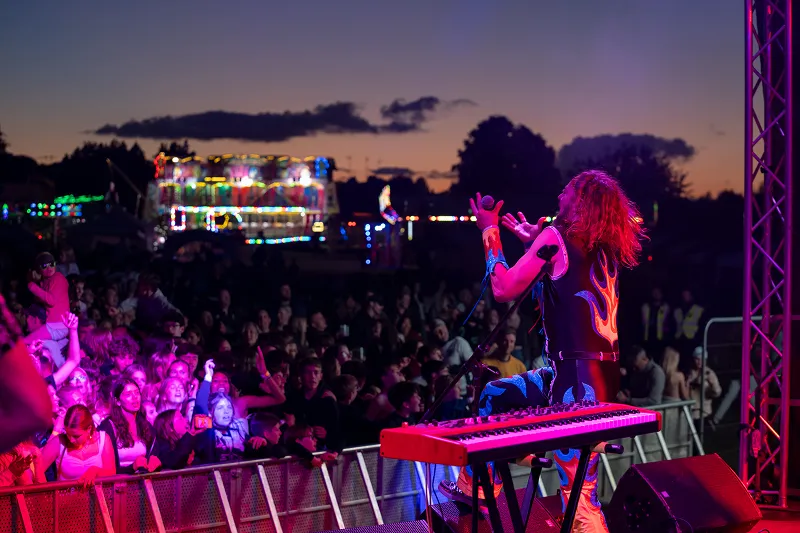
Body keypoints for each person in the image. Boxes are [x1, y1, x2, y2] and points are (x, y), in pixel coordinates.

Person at [439, 171, 646, 533]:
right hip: (583, 376)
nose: (561, 190)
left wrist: (490, 231)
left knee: (579, 501)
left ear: (581, 200)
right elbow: (564, 284)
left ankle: (493, 479)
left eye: (570, 187)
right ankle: (476, 490)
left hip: (576, 382)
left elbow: (503, 288)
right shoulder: (601, 243)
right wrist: (534, 245)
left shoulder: (558, 236)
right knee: (496, 394)